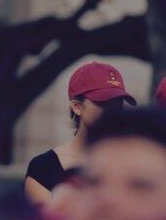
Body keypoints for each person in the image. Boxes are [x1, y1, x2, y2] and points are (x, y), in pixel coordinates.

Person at [24, 62, 137, 206]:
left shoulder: (135, 162)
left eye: (118, 103)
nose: (112, 111)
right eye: (103, 103)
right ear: (77, 107)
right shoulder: (44, 168)